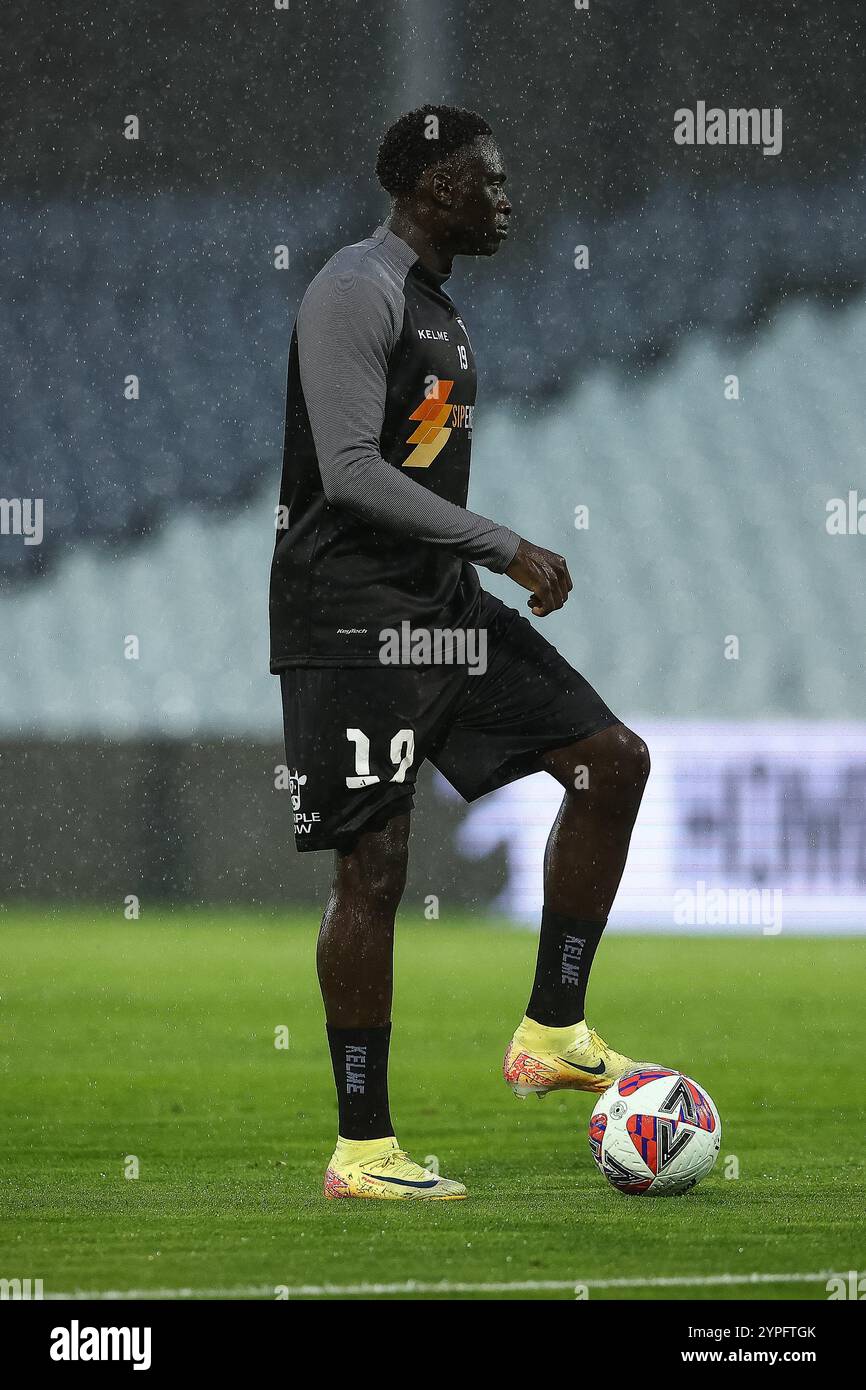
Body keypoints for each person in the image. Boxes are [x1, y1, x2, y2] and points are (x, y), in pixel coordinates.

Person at [269, 105, 649, 1200]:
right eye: (486, 180)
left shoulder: (437, 306)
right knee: (374, 866)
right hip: (347, 618)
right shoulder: (356, 287)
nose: (505, 196)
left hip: (437, 609)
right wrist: (506, 546)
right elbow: (346, 469)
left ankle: (552, 1029)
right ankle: (363, 1150)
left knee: (609, 761)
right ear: (431, 187)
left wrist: (472, 567)